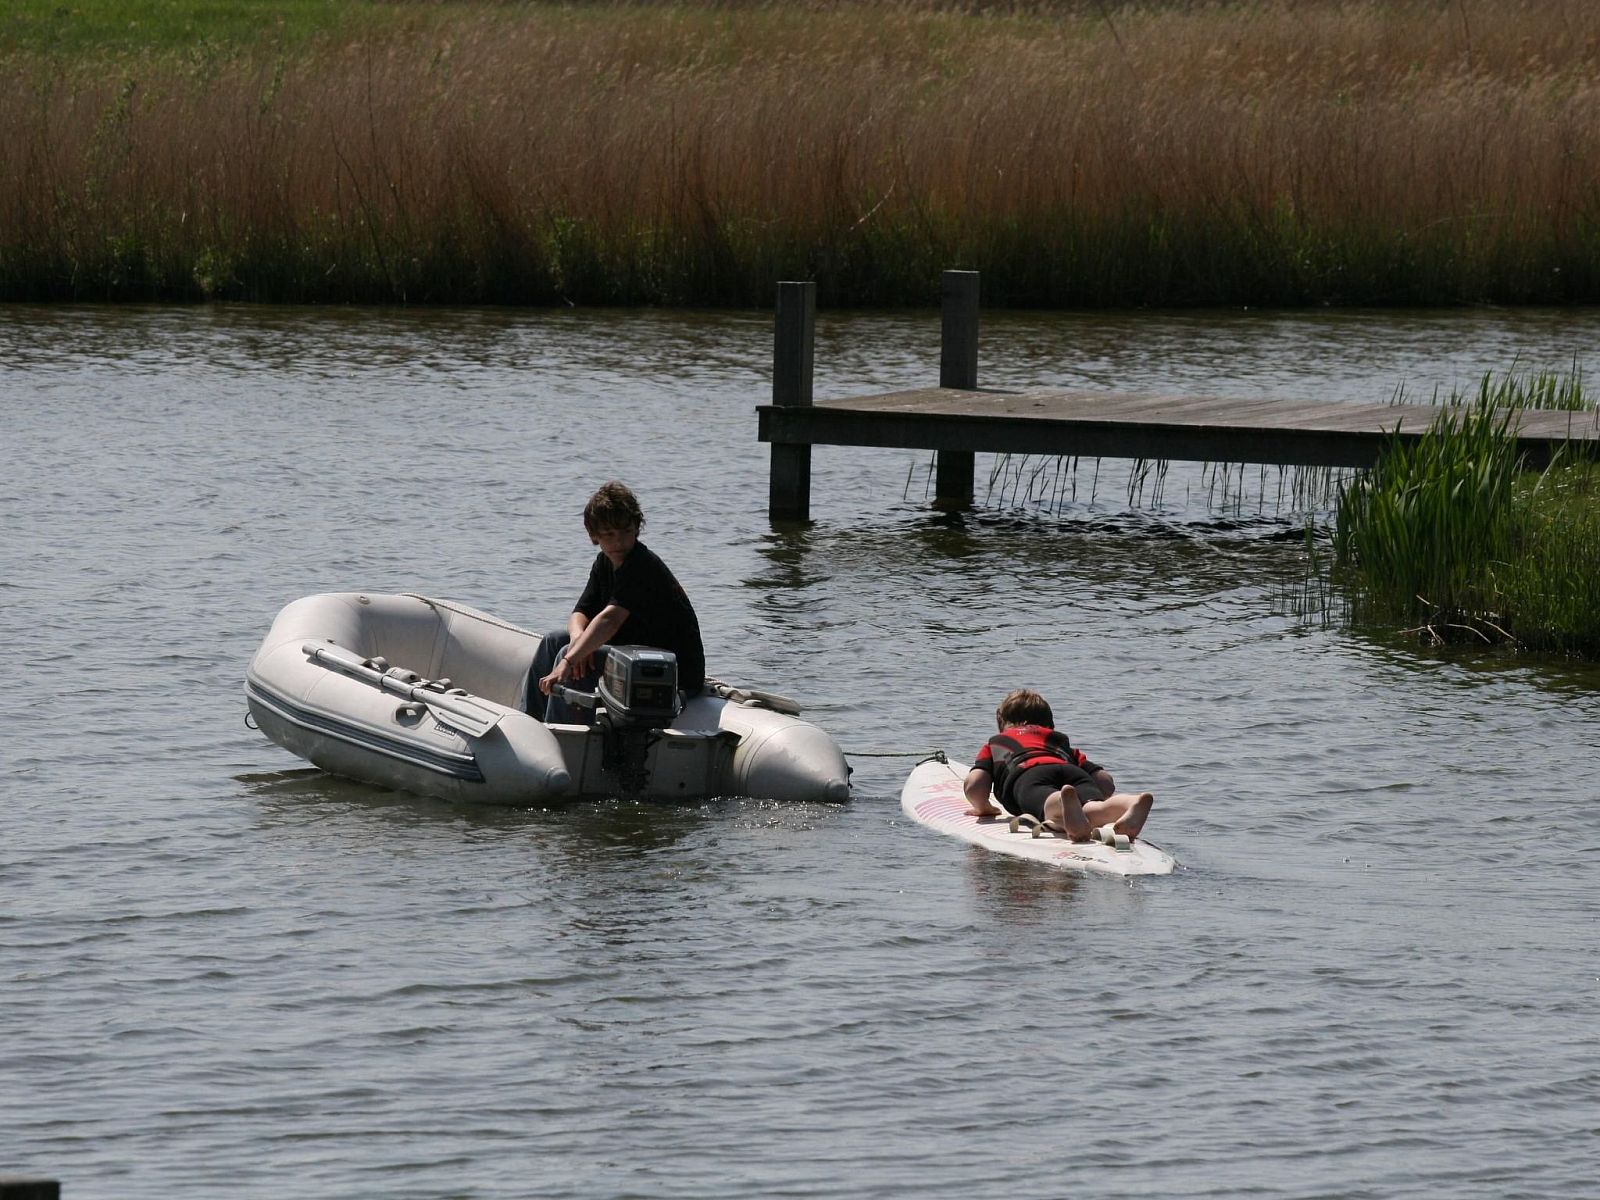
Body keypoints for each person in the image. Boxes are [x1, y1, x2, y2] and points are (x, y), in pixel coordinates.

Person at [525, 481, 705, 724]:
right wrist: (579, 639)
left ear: (636, 529)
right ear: (594, 535)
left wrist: (570, 659)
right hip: (634, 653)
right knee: (553, 641)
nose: (618, 542)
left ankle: (565, 733)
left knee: (569, 653)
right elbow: (580, 612)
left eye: (626, 532)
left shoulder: (642, 566)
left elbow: (610, 619)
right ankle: (530, 722)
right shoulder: (604, 563)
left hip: (669, 669)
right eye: (609, 534)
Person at [963, 688, 1153, 843]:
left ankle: (1063, 803)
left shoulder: (998, 743)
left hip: (1029, 775)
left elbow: (975, 785)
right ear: (1050, 724)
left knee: (1049, 801)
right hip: (1073, 772)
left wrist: (984, 807)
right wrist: (1095, 793)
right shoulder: (1059, 742)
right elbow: (1105, 782)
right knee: (1094, 808)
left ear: (1001, 723)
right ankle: (1130, 803)